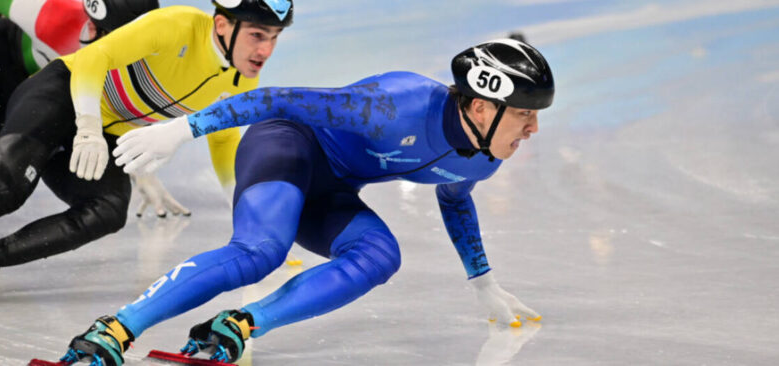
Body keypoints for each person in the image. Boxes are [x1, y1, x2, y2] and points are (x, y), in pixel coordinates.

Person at [61, 38, 554, 366]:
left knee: (380, 256)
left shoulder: (485, 158)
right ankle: (115, 330)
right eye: (525, 115)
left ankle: (238, 326)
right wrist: (182, 129)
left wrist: (482, 279)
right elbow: (276, 99)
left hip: (332, 190)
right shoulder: (395, 103)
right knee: (260, 252)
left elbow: (455, 200)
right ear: (482, 106)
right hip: (286, 145)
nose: (533, 129)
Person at [0, 0, 293, 270]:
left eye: (274, 37)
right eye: (257, 35)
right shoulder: (175, 25)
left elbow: (223, 138)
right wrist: (88, 128)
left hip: (106, 133)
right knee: (8, 186)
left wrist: (246, 216)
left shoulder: (241, 80)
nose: (266, 50)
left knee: (108, 210)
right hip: (61, 94)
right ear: (221, 25)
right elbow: (92, 57)